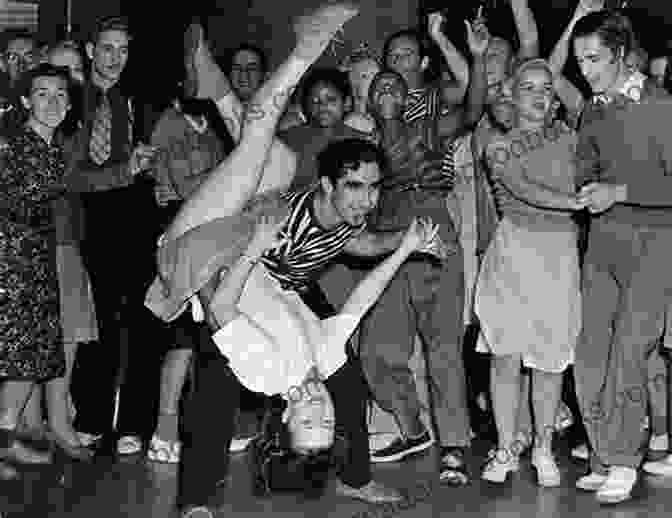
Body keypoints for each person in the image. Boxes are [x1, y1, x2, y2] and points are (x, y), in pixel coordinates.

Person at [144, 5, 446, 516]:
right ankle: (355, 479)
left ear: (286, 417)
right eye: (324, 420)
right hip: (246, 250)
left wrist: (258, 246)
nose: (316, 408)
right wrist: (407, 248)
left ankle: (306, 49)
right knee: (276, 157)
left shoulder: (267, 374)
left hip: (197, 256)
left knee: (213, 392)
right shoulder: (321, 361)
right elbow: (361, 298)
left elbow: (220, 310)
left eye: (307, 419)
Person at [569, 9, 672, 504]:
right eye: (579, 59)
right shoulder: (593, 108)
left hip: (654, 244)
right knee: (590, 354)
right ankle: (602, 454)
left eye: (593, 59)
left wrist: (620, 189)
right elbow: (586, 164)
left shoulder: (661, 104)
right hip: (603, 243)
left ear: (620, 54)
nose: (584, 69)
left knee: (631, 353)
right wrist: (583, 187)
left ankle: (626, 460)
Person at [476, 59, 585, 486]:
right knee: (505, 358)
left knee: (551, 360)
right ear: (511, 96)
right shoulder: (497, 147)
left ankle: (542, 447)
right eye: (529, 88)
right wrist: (576, 200)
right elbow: (526, 191)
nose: (539, 96)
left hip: (559, 256)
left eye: (546, 89)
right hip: (513, 253)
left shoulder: (571, 138)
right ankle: (505, 447)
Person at [65, 16, 162, 455]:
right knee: (96, 322)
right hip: (89, 219)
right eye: (107, 48)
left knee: (143, 321)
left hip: (137, 217)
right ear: (90, 50)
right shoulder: (70, 100)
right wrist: (126, 170)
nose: (115, 58)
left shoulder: (140, 100)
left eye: (123, 50)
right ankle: (91, 418)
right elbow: (72, 176)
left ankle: (135, 425)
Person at [0, 64, 75, 479]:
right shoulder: (15, 146)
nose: (52, 102)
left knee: (28, 359)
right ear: (26, 101)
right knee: (15, 355)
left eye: (60, 94)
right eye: (42, 94)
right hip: (10, 266)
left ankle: (5, 440)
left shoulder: (49, 147)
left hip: (34, 262)